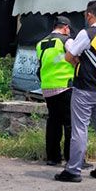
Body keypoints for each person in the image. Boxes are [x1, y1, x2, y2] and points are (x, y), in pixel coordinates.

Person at [55, 0, 96, 182]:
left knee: (79, 129)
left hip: (85, 89)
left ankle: (73, 170)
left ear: (89, 14)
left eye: (85, 14)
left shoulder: (87, 33)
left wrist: (78, 63)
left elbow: (69, 55)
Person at [36, 16, 75, 166]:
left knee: (53, 122)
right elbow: (75, 58)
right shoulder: (66, 41)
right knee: (70, 123)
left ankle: (53, 157)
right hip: (65, 86)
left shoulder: (41, 43)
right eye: (69, 29)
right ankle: (72, 158)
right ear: (65, 27)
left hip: (47, 87)